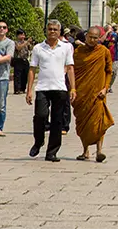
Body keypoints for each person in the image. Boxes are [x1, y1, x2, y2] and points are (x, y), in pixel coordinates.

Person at [27, 20, 76, 162]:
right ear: (46, 30)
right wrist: (28, 90)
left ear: (60, 32)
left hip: (60, 87)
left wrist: (73, 88)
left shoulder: (66, 48)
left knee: (57, 120)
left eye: (55, 29)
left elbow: (70, 68)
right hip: (43, 87)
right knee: (40, 116)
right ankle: (38, 141)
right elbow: (32, 69)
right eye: (50, 29)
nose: (52, 31)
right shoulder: (38, 48)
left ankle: (52, 151)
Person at [73, 27, 114, 162]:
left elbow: (109, 71)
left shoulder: (103, 52)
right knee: (83, 123)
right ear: (86, 37)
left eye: (96, 38)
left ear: (99, 39)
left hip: (98, 93)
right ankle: (85, 151)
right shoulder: (78, 52)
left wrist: (105, 88)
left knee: (99, 123)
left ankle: (99, 151)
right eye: (90, 37)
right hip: (82, 93)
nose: (92, 40)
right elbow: (72, 71)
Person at [12, 29, 32, 95]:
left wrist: (29, 43)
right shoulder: (15, 42)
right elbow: (18, 48)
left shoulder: (26, 42)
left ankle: (23, 88)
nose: (23, 36)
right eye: (21, 35)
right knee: (18, 75)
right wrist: (26, 42)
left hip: (25, 59)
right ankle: (17, 89)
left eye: (23, 35)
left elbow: (30, 49)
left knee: (25, 74)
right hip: (18, 59)